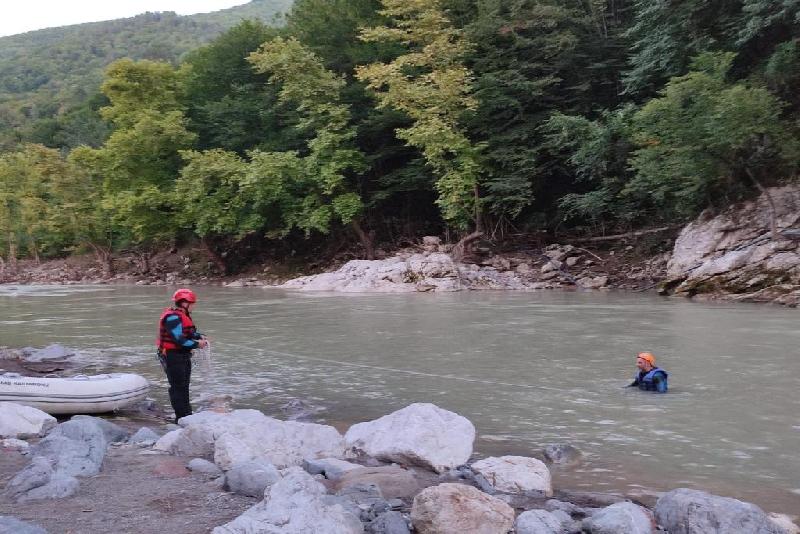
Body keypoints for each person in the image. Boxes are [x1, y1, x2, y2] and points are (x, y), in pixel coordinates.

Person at [156, 288, 207, 422]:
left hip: (182, 354)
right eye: (192, 303)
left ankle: (187, 414)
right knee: (177, 387)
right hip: (172, 356)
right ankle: (181, 417)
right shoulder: (172, 317)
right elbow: (178, 339)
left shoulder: (182, 315)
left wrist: (199, 336)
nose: (193, 306)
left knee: (184, 385)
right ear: (184, 303)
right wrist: (197, 344)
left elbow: (188, 332)